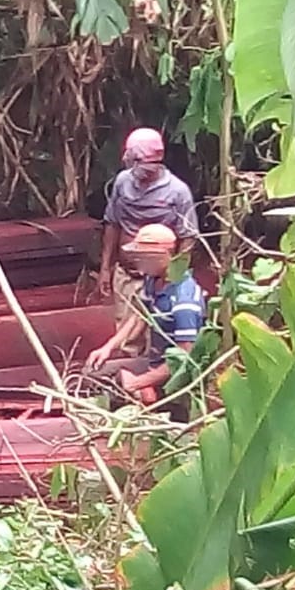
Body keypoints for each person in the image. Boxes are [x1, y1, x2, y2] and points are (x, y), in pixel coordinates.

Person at [98, 127, 199, 351]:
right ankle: (129, 380)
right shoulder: (123, 182)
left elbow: (187, 237)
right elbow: (112, 223)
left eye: (137, 161)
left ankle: (148, 381)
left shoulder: (177, 192)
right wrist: (105, 267)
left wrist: (174, 277)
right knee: (127, 337)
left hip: (156, 277)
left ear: (154, 160)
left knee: (156, 337)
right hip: (126, 274)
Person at [85, 223, 205, 404]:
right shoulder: (153, 279)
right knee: (93, 371)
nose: (137, 262)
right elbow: (140, 315)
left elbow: (184, 359)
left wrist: (139, 382)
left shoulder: (183, 301)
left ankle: (151, 400)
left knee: (122, 390)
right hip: (153, 362)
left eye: (142, 257)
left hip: (175, 378)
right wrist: (108, 348)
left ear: (162, 256)